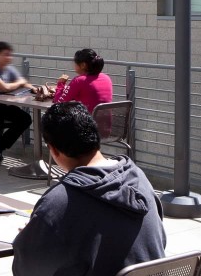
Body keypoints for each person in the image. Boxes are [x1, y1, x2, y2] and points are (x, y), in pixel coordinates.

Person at [12, 102, 165, 275]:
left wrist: (32, 235)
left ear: (53, 150)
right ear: (95, 136)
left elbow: (26, 270)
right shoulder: (139, 179)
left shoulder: (58, 203)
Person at [37, 48, 114, 113]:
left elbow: (58, 102)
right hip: (105, 125)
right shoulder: (106, 78)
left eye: (75, 63)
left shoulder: (79, 80)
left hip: (85, 125)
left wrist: (61, 84)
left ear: (83, 65)